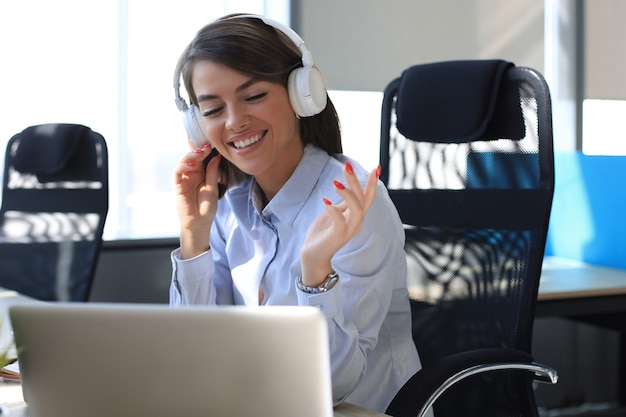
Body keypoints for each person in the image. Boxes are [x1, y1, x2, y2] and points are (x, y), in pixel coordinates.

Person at [170, 13, 421, 413]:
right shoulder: (228, 208)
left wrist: (315, 271)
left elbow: (333, 385)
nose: (235, 122)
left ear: (303, 93)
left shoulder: (351, 201)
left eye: (253, 97)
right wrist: (193, 234)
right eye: (213, 109)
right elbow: (191, 353)